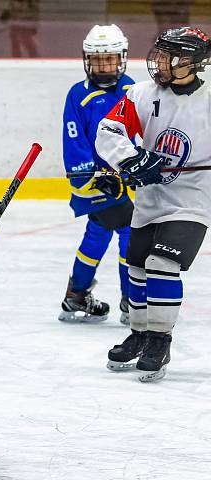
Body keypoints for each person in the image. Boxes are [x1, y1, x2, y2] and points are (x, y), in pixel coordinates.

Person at [96, 26, 211, 382]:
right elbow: (109, 130)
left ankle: (160, 340)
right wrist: (129, 160)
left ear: (193, 62)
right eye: (159, 53)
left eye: (170, 56)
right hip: (151, 199)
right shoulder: (141, 94)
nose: (159, 62)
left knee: (161, 263)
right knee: (137, 269)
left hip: (193, 199)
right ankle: (141, 333)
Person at [60, 24, 135, 324]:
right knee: (130, 232)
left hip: (124, 182)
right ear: (87, 59)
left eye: (110, 58)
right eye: (98, 59)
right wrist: (90, 179)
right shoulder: (78, 95)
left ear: (122, 57)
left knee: (98, 234)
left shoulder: (132, 89)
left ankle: (76, 295)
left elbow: (139, 135)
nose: (104, 66)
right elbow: (74, 141)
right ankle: (132, 301)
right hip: (96, 183)